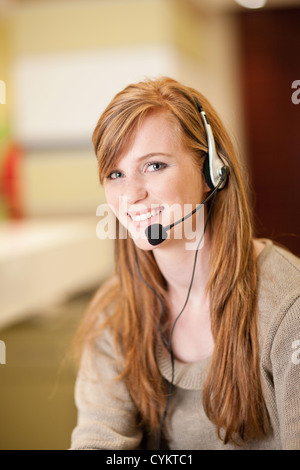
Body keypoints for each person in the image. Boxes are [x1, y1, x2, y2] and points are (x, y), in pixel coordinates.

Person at [70, 77, 300, 450]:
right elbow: (98, 440)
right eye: (115, 174)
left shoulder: (289, 306)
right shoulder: (114, 311)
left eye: (155, 165)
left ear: (211, 173)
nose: (131, 195)